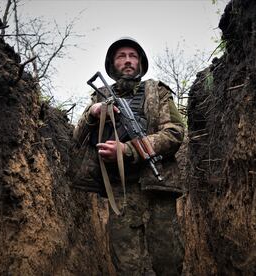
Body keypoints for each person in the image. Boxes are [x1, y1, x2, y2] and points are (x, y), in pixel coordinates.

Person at [73, 37, 185, 275]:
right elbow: (78, 138)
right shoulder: (99, 96)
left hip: (157, 186)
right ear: (112, 64)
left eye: (132, 56)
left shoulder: (158, 92)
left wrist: (129, 150)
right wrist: (93, 113)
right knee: (127, 263)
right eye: (121, 56)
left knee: (168, 258)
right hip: (120, 190)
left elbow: (174, 133)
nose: (127, 61)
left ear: (140, 62)